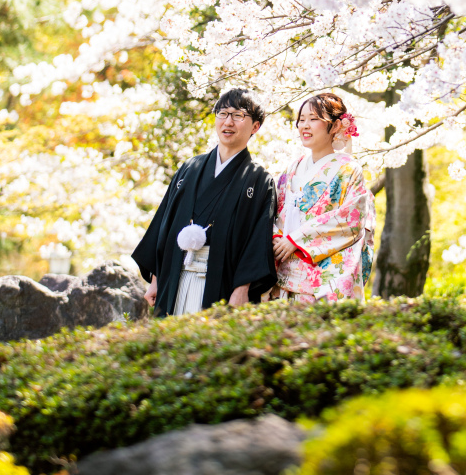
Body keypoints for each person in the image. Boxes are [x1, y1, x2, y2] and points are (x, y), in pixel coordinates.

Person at [132, 88, 277, 317]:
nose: (228, 121)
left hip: (222, 281)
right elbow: (165, 225)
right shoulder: (190, 168)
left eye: (238, 115)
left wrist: (243, 289)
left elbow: (256, 240)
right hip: (176, 274)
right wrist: (156, 279)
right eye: (223, 113)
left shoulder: (259, 180)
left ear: (255, 126)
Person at [273, 91, 375, 303]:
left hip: (319, 279)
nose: (305, 126)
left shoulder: (348, 169)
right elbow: (272, 211)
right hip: (282, 275)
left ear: (336, 126)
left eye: (314, 119)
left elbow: (351, 220)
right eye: (301, 120)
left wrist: (297, 239)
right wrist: (276, 238)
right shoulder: (291, 169)